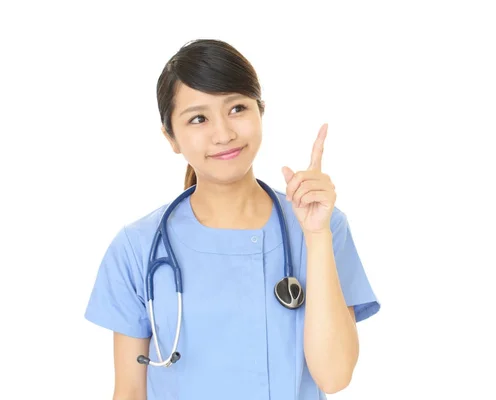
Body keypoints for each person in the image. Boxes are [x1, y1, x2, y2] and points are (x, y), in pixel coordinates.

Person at [84, 38, 380, 400]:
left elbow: (334, 377)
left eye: (237, 108)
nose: (223, 133)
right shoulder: (137, 247)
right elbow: (130, 391)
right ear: (171, 138)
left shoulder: (322, 225)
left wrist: (316, 237)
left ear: (260, 111)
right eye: (198, 118)